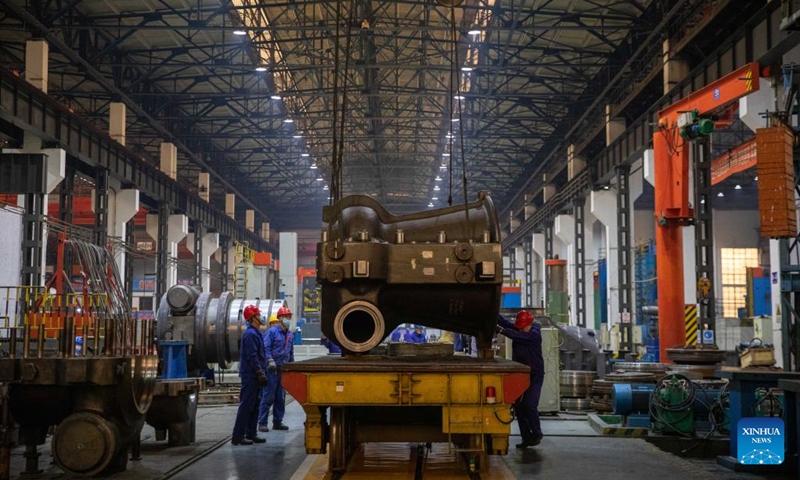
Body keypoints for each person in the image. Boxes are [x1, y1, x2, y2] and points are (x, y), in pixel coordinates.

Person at [497, 310, 544, 448]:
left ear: (529, 323)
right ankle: (526, 438)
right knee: (519, 407)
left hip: (535, 375)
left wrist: (501, 331)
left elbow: (518, 336)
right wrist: (494, 315)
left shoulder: (535, 334)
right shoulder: (520, 329)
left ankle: (537, 433)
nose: (521, 329)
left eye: (523, 326)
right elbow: (506, 324)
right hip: (520, 374)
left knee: (529, 404)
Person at [231, 305, 268, 445]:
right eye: (258, 314)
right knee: (246, 405)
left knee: (255, 405)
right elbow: (252, 356)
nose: (261, 317)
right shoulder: (250, 334)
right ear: (253, 318)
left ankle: (251, 433)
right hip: (251, 375)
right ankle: (238, 436)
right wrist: (259, 372)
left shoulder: (257, 333)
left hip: (255, 374)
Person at [258, 306, 295, 432]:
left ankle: (277, 422)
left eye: (289, 317)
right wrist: (270, 361)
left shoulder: (290, 334)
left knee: (280, 397)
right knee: (268, 396)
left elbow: (291, 352)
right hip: (272, 370)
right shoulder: (272, 332)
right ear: (279, 318)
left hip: (283, 370)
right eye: (286, 317)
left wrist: (292, 366)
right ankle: (262, 422)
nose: (288, 319)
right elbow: (266, 348)